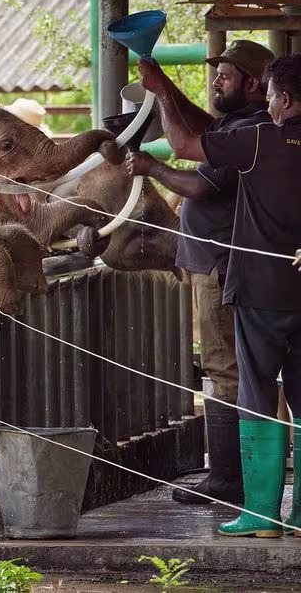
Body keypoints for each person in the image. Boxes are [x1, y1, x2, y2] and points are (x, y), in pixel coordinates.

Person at [162, 53, 301, 538]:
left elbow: (183, 144)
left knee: (256, 392)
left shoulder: (259, 138)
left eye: (270, 95)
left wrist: (161, 91)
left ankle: (262, 516)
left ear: (282, 97)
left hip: (261, 289)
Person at [132, 39, 274, 506]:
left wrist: (151, 165)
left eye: (226, 74)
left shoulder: (252, 129)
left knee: (223, 369)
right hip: (218, 262)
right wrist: (165, 88)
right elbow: (205, 127)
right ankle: (241, 479)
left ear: (255, 85)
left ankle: (229, 480)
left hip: (222, 268)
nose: (217, 80)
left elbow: (193, 175)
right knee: (235, 369)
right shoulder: (241, 124)